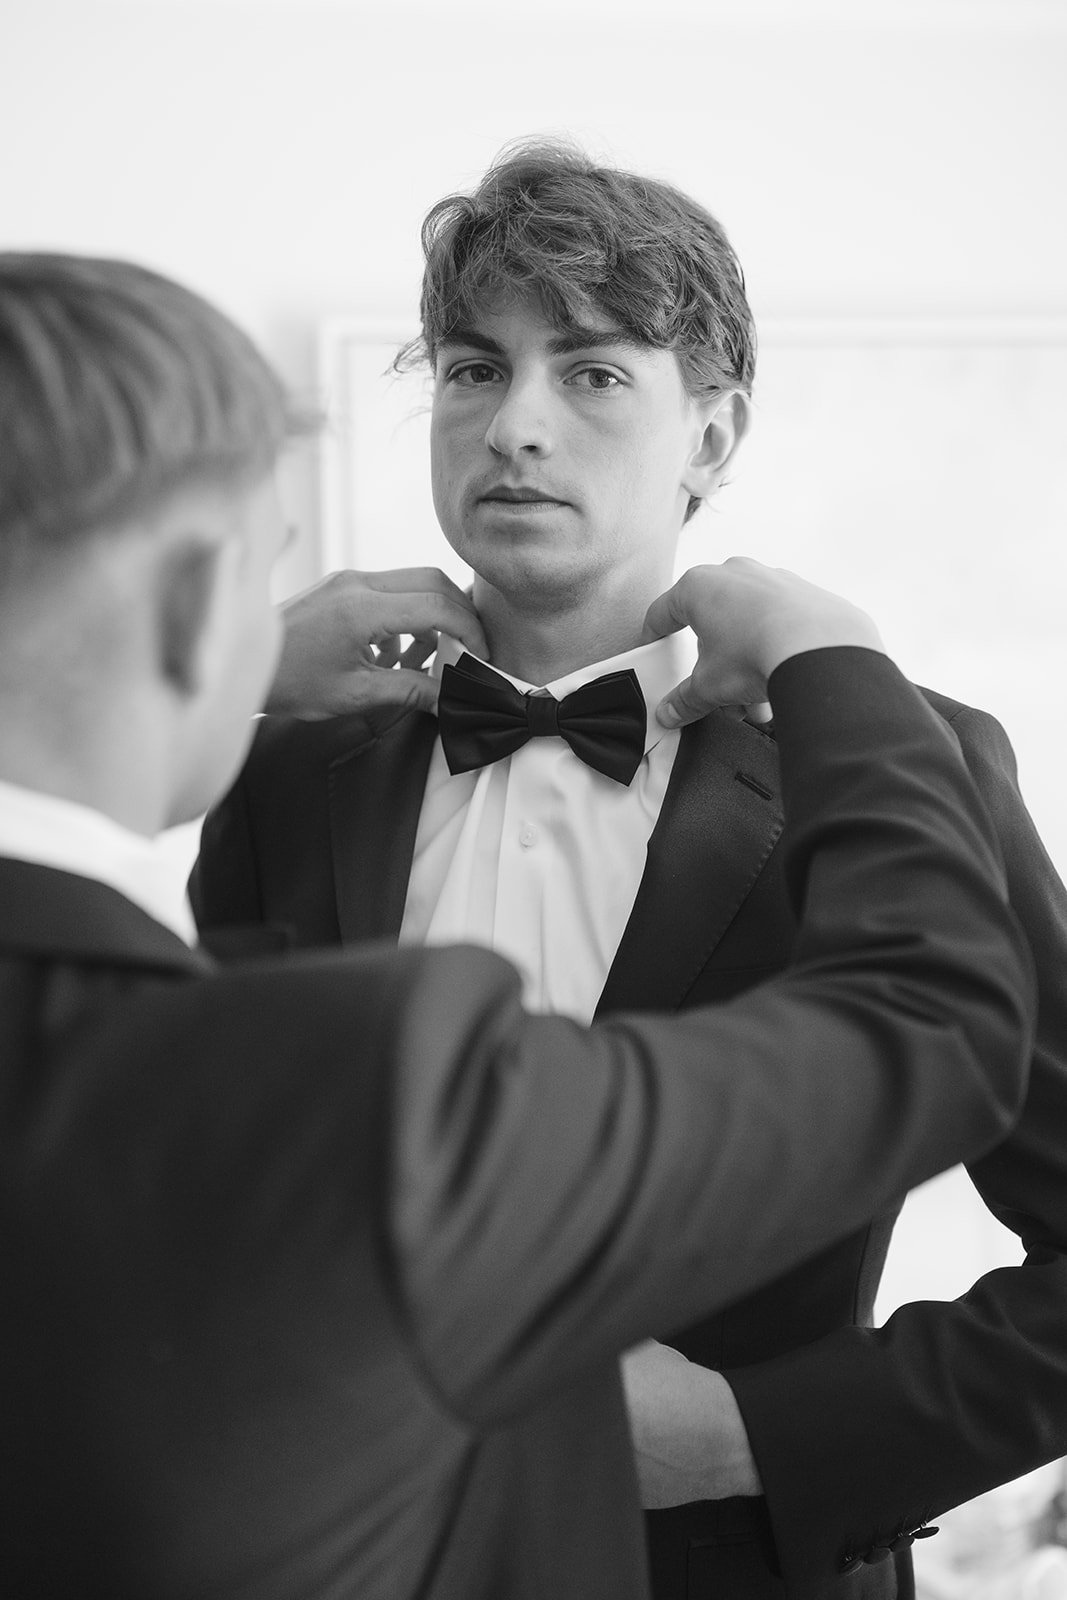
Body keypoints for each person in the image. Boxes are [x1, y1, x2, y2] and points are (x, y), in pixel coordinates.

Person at [0, 255, 1033, 1600]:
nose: (512, 426)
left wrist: (754, 1439)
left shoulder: (908, 763)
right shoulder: (285, 769)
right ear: (205, 612)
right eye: (474, 368)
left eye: (594, 371)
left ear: (711, 434)